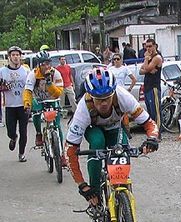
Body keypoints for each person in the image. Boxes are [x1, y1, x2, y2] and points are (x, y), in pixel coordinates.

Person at [65, 67, 159, 205]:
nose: (103, 103)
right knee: (98, 142)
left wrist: (152, 139)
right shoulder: (83, 109)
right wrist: (83, 185)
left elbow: (149, 124)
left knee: (122, 149)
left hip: (115, 128)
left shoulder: (124, 97)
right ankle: (96, 192)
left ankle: (121, 191)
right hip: (93, 128)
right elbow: (70, 150)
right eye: (98, 100)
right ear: (91, 96)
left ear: (113, 93)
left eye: (107, 98)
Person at [23, 51, 64, 147]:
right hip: (39, 99)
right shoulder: (33, 74)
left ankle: (61, 153)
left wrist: (49, 83)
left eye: (48, 63)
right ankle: (38, 133)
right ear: (38, 65)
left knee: (57, 126)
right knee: (36, 111)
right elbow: (28, 91)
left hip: (53, 99)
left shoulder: (55, 73)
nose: (46, 66)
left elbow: (58, 93)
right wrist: (27, 104)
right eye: (43, 64)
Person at [0, 46, 30, 162]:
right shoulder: (3, 71)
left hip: (23, 105)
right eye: (13, 55)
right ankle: (13, 138)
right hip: (10, 106)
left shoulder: (25, 70)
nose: (16, 57)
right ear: (9, 57)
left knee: (24, 131)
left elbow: (30, 86)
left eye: (18, 55)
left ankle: (21, 154)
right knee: (11, 131)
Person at [139, 38, 163, 133]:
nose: (148, 49)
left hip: (154, 87)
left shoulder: (157, 58)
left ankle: (158, 133)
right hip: (147, 87)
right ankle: (152, 131)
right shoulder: (149, 58)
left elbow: (147, 68)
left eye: (150, 46)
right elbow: (141, 71)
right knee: (150, 111)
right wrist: (147, 69)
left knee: (155, 112)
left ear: (155, 46)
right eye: (146, 47)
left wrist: (146, 62)